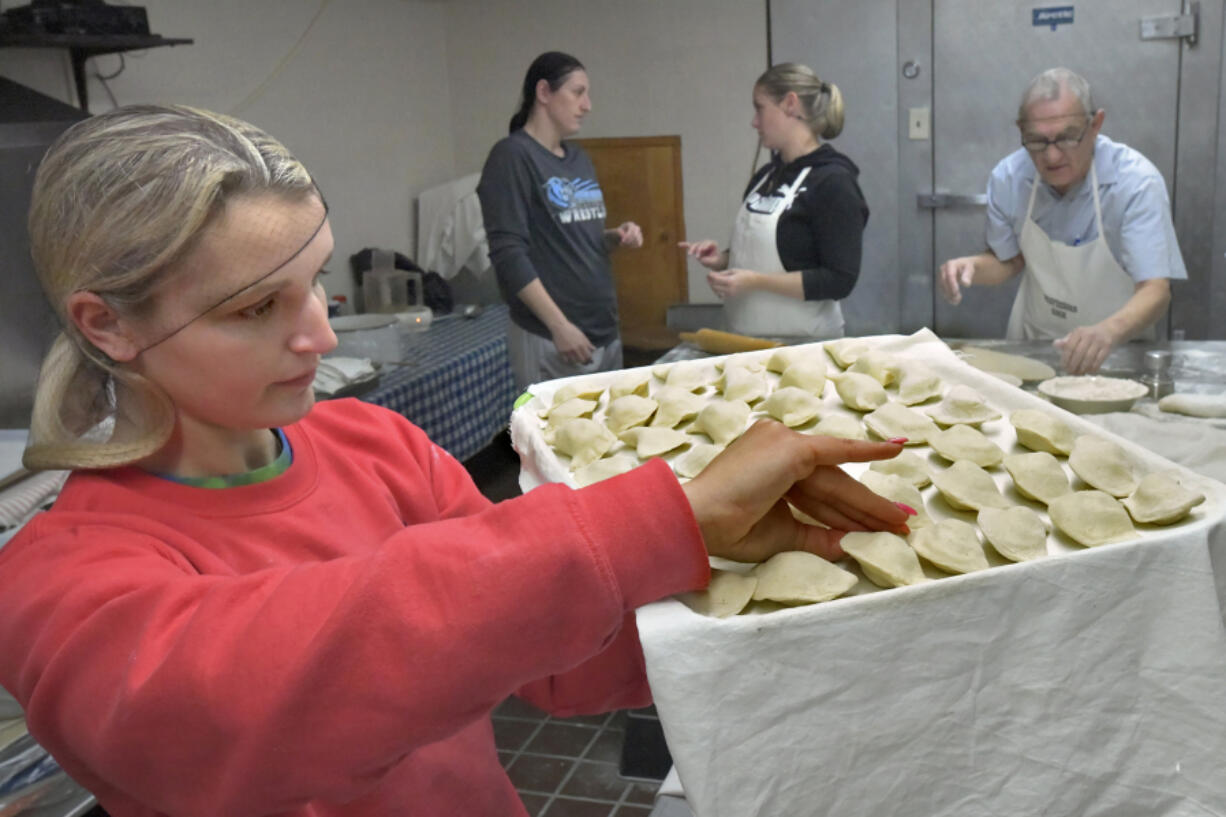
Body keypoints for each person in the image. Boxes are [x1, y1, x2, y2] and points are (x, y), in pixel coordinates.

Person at [0, 105, 914, 817]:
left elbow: (547, 651)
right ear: (107, 324)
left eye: (314, 277)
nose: (319, 331)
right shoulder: (61, 587)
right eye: (254, 309)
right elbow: (287, 678)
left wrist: (777, 603)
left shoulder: (374, 447)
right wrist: (660, 518)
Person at [938, 67, 1187, 374]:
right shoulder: (1010, 178)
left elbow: (1156, 290)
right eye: (1037, 141)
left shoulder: (1135, 183)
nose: (1052, 157)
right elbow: (1010, 262)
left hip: (1115, 354)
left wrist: (1107, 332)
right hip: (1034, 349)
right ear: (1021, 131)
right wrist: (973, 267)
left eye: (1067, 138)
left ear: (1095, 124)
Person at [478, 51, 642, 392]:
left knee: (608, 436)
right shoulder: (511, 156)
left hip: (603, 332)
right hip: (553, 338)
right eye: (578, 92)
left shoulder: (577, 158)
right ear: (544, 93)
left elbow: (568, 234)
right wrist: (559, 326)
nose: (588, 105)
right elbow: (508, 253)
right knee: (557, 442)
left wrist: (614, 237)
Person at [680, 62, 868, 340]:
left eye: (759, 108)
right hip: (741, 337)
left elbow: (839, 280)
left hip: (803, 344)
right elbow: (785, 250)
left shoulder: (833, 182)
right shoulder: (766, 176)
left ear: (790, 104)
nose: (754, 122)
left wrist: (755, 283)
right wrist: (722, 260)